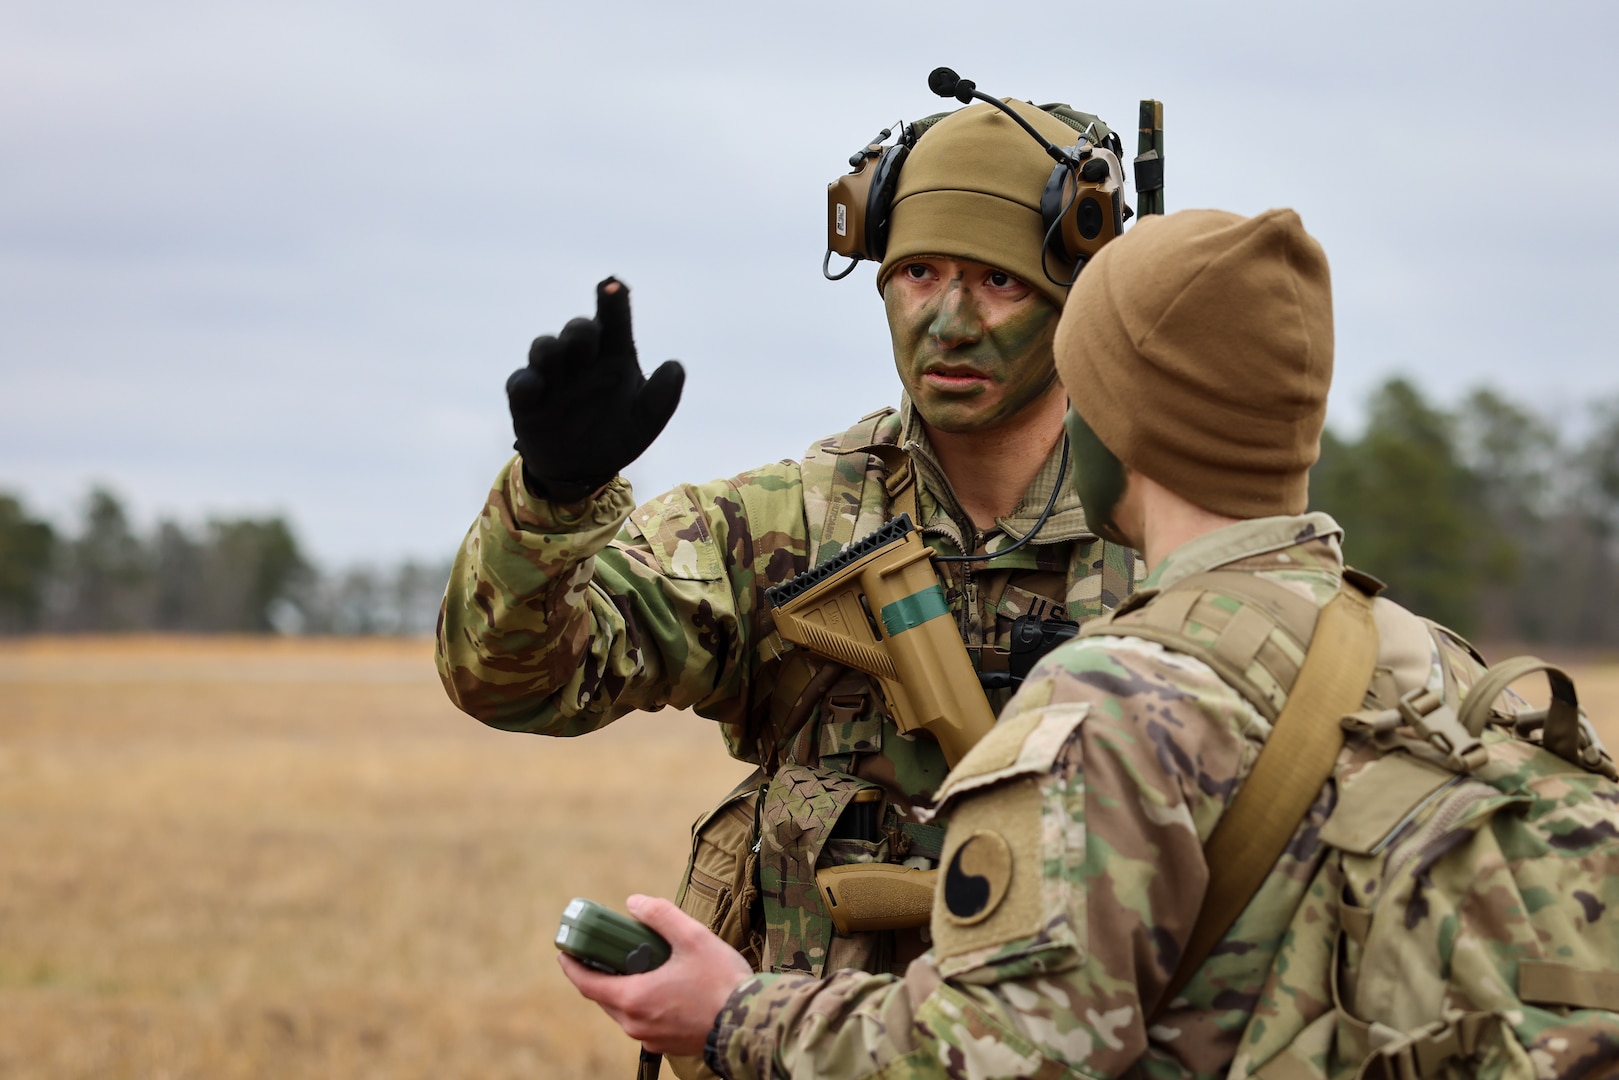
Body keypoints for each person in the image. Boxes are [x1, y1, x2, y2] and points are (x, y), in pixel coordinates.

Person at [559, 207, 1615, 1079]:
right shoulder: (1428, 656)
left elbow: (1001, 1057)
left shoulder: (1111, 702)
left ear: (1109, 424)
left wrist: (732, 1015)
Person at [435, 94, 1139, 1027]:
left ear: (1076, 295)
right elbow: (511, 680)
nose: (951, 322)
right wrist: (550, 501)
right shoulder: (784, 528)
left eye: (999, 282)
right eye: (919, 272)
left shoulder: (1157, 531)